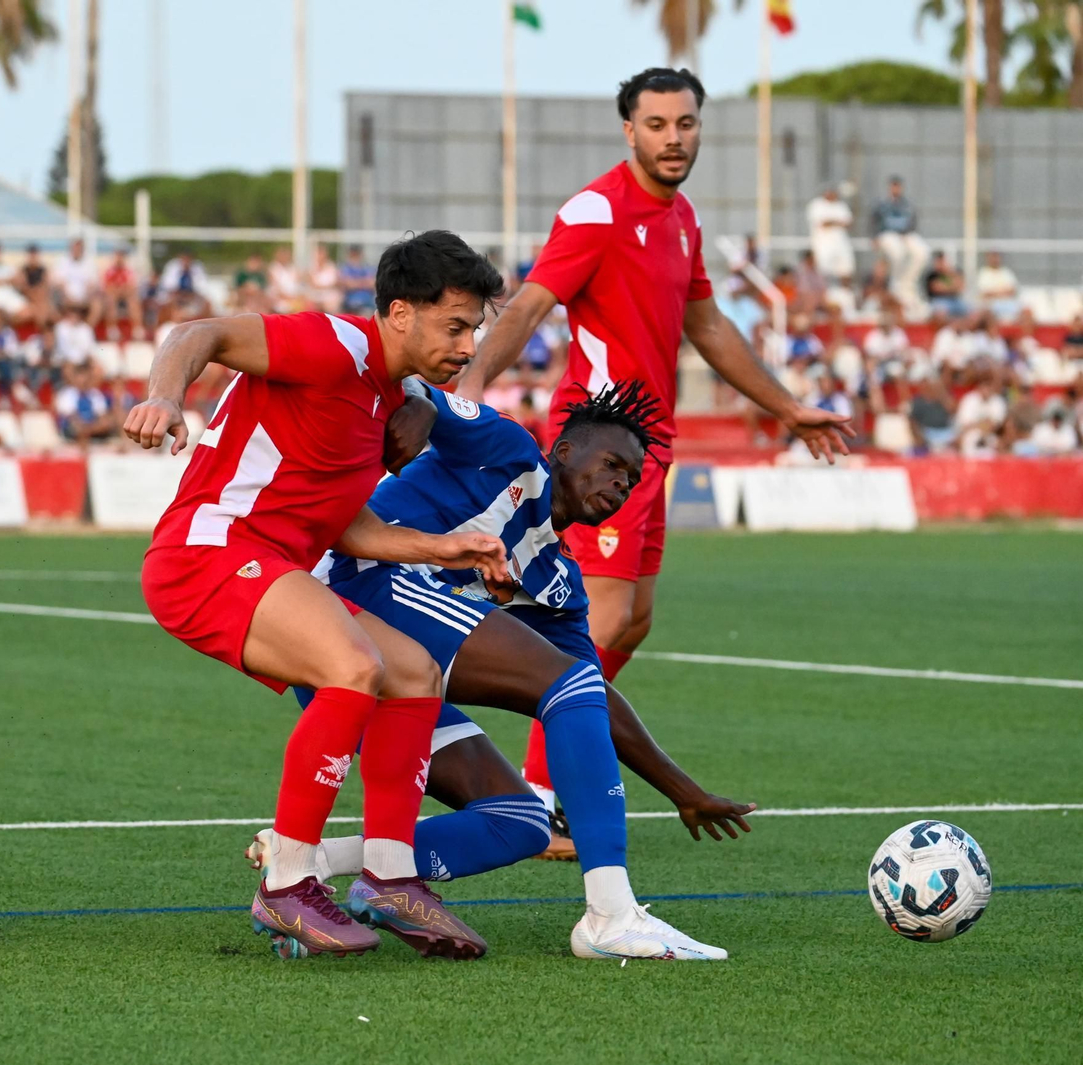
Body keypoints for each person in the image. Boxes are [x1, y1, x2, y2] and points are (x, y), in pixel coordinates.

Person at [462, 67, 853, 827]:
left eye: (686, 124)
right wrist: (474, 378)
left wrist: (788, 408)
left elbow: (707, 327)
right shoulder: (596, 210)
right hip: (599, 446)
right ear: (628, 130)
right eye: (657, 125)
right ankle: (540, 798)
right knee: (597, 621)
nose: (673, 138)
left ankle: (554, 773)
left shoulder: (682, 220)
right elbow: (534, 301)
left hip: (649, 447)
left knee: (633, 620)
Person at [251, 381, 751, 960]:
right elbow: (423, 385)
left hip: (388, 683)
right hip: (351, 591)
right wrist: (418, 406)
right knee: (568, 685)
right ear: (563, 452)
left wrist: (684, 793)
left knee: (522, 821)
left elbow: (593, 702)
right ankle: (611, 916)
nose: (620, 484)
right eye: (612, 464)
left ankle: (305, 861)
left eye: (631, 480)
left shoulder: (559, 584)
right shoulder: (509, 450)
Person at [127, 230, 511, 961]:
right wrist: (163, 397)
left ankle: (392, 877)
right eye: (455, 325)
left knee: (413, 671)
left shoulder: (390, 397)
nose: (468, 345)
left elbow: (343, 526)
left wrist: (443, 547)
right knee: (354, 665)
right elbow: (196, 331)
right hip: (205, 553)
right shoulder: (333, 345)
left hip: (265, 560)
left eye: (474, 329)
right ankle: (288, 882)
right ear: (401, 313)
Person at [872, 176, 930, 312]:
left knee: (922, 252)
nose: (896, 189)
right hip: (887, 234)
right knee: (898, 253)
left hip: (905, 234)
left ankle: (908, 281)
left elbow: (913, 220)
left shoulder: (907, 204)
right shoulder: (882, 203)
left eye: (898, 186)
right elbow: (873, 220)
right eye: (893, 186)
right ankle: (896, 283)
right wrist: (874, 237)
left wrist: (907, 232)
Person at [806, 186, 854, 286]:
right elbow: (822, 223)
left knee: (846, 270)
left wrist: (832, 221)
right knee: (823, 272)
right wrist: (838, 222)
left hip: (841, 244)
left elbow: (849, 223)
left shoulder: (841, 205)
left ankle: (844, 295)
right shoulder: (817, 205)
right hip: (823, 245)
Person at [976, 251, 1021, 322]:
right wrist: (1002, 292)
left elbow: (1013, 291)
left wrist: (995, 292)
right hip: (991, 305)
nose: (995, 259)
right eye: (992, 257)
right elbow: (985, 293)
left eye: (996, 257)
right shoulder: (984, 273)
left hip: (1008, 304)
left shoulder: (1006, 272)